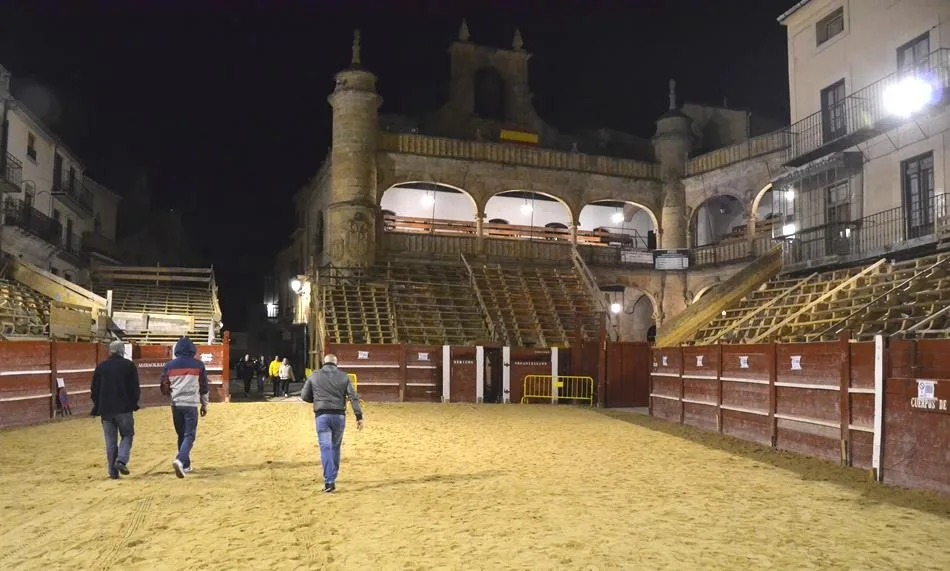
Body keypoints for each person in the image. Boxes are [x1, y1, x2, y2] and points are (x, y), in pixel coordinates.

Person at [300, 354, 363, 493]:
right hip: (339, 416)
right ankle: (332, 476)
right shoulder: (344, 377)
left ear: (324, 362)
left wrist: (317, 400)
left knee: (325, 448)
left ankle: (329, 481)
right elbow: (354, 397)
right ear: (336, 363)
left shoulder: (314, 375)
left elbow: (304, 396)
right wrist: (359, 416)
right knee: (335, 447)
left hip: (322, 415)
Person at [90, 340, 141, 479]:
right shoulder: (129, 366)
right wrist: (133, 403)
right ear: (122, 350)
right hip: (124, 408)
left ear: (110, 351)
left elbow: (94, 390)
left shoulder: (101, 367)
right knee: (127, 435)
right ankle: (121, 460)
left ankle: (113, 472)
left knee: (110, 441)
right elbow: (134, 389)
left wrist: (98, 405)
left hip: (106, 410)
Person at [160, 336, 209, 478]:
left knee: (181, 434)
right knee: (189, 435)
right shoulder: (198, 365)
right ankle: (180, 460)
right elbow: (204, 387)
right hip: (191, 404)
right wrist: (204, 404)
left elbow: (163, 387)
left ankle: (186, 465)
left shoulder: (169, 366)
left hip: (175, 404)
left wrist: (171, 395)